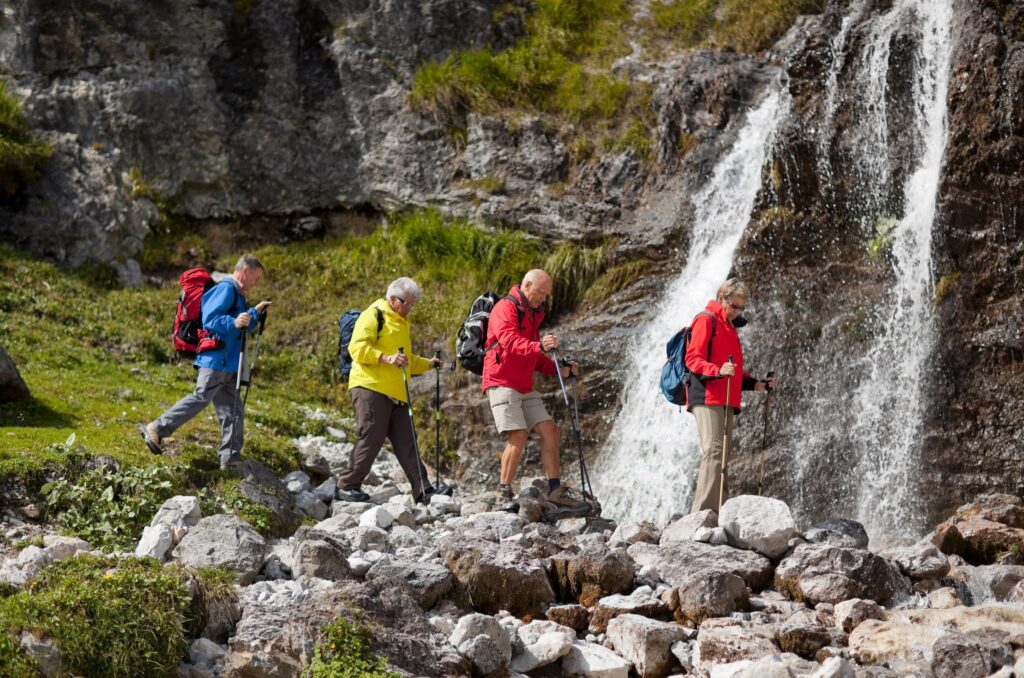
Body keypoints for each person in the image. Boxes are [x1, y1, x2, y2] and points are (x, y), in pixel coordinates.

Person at [140, 254, 271, 470]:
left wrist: (254, 313)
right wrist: (233, 321)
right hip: (216, 360)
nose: (256, 283)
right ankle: (156, 428)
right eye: (255, 278)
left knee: (234, 411)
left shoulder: (237, 294)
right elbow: (210, 319)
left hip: (228, 365)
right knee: (201, 397)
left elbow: (240, 323)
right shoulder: (226, 288)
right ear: (245, 271)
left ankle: (230, 460)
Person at [482, 268, 590, 514]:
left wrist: (560, 370)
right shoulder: (504, 309)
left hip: (523, 385)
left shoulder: (531, 315)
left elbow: (535, 356)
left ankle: (555, 491)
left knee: (550, 430)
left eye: (546, 295)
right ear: (527, 285)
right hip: (501, 381)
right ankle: (503, 493)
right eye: (540, 293)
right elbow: (509, 342)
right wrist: (539, 345)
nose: (543, 298)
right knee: (518, 435)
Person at [337, 277, 449, 504]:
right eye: (407, 303)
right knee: (372, 435)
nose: (410, 308)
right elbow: (356, 348)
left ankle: (423, 490)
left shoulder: (400, 323)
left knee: (408, 440)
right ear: (392, 298)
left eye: (412, 304)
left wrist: (429, 363)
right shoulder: (374, 314)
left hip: (397, 391)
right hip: (370, 386)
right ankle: (347, 485)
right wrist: (386, 358)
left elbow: (405, 361)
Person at [685, 278, 777, 513]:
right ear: (721, 298)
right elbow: (693, 359)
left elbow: (734, 371)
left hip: (726, 398)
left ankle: (719, 510)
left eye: (741, 308)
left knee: (722, 456)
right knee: (714, 451)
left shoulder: (729, 327)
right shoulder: (706, 320)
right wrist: (716, 370)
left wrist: (757, 384)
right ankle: (702, 514)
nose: (737, 312)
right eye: (734, 306)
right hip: (706, 396)